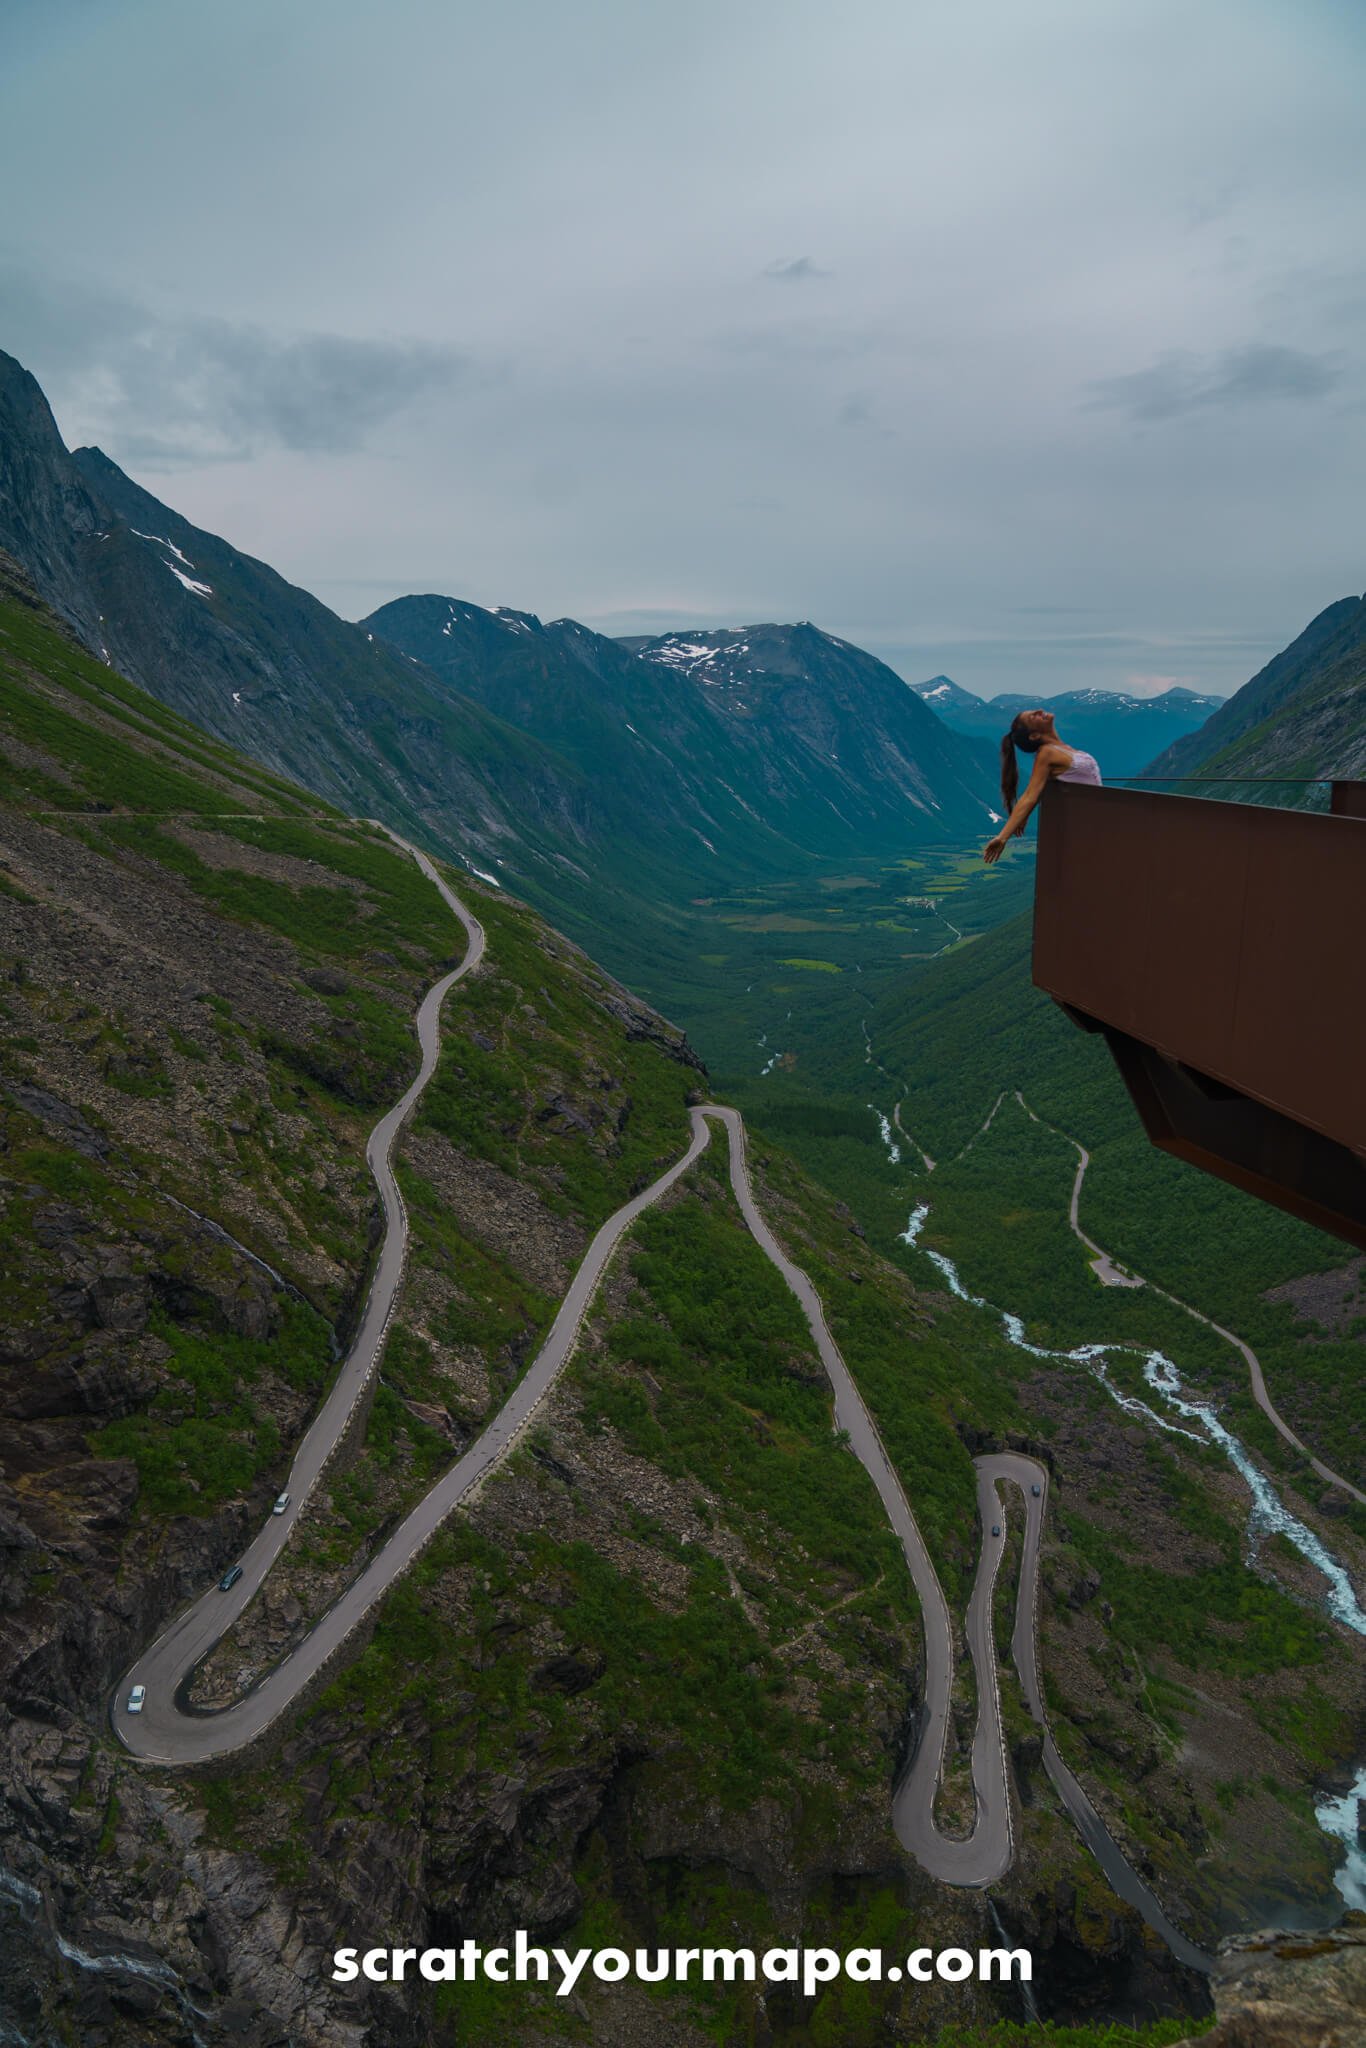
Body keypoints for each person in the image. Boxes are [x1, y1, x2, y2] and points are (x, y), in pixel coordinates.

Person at [983, 707, 1102, 863]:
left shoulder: (1066, 749)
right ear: (1034, 735)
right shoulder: (1047, 753)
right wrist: (1002, 837)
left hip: (1097, 823)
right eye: (1033, 717)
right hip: (1085, 828)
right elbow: (1030, 794)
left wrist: (1023, 816)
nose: (1039, 710)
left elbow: (1044, 787)